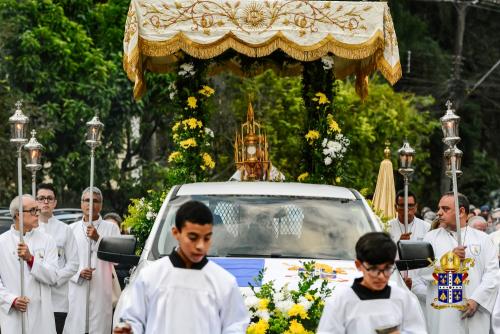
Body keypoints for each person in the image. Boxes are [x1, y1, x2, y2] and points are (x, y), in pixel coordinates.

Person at [113, 200, 249, 334]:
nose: (200, 246)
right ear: (176, 233)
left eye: (206, 238)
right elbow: (133, 319)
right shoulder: (150, 276)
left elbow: (234, 325)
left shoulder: (224, 282)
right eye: (193, 237)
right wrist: (129, 330)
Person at [412, 192, 499, 334]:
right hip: (443, 310)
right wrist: (449, 259)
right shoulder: (430, 238)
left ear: (461, 212)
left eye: (445, 209)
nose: (439, 213)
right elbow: (423, 271)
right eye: (439, 208)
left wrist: (476, 300)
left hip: (474, 310)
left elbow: (492, 274)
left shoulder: (483, 239)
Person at [317, 232, 426, 333]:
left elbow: (417, 330)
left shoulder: (403, 299)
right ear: (359, 265)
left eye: (387, 268)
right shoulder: (341, 301)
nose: (381, 276)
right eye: (374, 269)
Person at [63, 187, 121, 334]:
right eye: (87, 200)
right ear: (81, 203)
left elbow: (116, 259)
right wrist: (78, 274)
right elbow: (63, 263)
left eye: (95, 201)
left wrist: (98, 239)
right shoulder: (71, 229)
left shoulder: (111, 229)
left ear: (101, 205)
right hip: (78, 290)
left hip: (101, 290)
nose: (91, 204)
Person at [0, 194, 58, 334]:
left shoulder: (47, 240)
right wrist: (11, 300)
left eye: (37, 210)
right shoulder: (1, 242)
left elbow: (53, 276)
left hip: (41, 316)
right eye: (33, 210)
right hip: (14, 315)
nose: (37, 214)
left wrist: (31, 259)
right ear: (18, 215)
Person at [36, 183, 79, 334]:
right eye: (41, 198)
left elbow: (74, 263)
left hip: (58, 299)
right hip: (35, 298)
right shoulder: (29, 230)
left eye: (49, 198)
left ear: (55, 203)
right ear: (36, 202)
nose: (45, 202)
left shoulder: (65, 230)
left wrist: (54, 278)